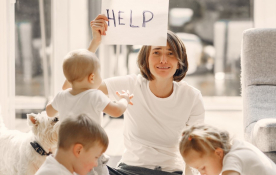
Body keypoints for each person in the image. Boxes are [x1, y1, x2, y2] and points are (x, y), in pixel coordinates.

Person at [64, 14, 205, 175]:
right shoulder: (131, 84)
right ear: (146, 57)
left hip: (169, 172)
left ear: (180, 60)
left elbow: (195, 148)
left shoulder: (192, 97)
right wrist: (95, 42)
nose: (163, 60)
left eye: (170, 53)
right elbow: (71, 90)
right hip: (127, 171)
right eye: (157, 52)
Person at [46, 48, 134, 123]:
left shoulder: (61, 96)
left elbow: (49, 112)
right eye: (100, 73)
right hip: (90, 142)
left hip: (66, 142)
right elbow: (116, 111)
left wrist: (55, 100)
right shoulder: (95, 95)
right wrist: (124, 100)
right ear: (92, 78)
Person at [179, 124, 276, 175]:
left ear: (218, 153)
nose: (202, 173)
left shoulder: (233, 159)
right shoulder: (238, 146)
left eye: (203, 168)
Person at [35, 114, 109, 175]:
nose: (96, 164)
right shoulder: (55, 173)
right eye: (96, 157)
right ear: (78, 150)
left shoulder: (56, 168)